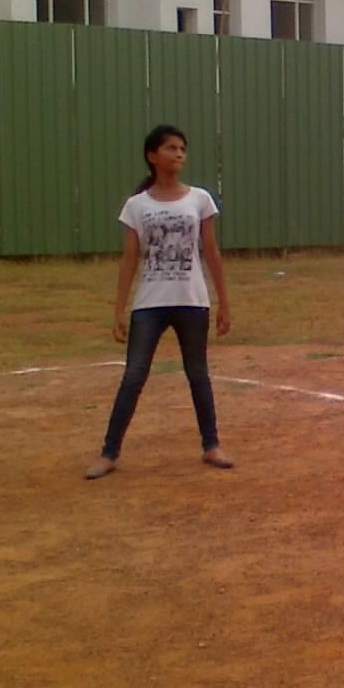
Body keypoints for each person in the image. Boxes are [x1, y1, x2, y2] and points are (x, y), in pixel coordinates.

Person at [85, 125, 233, 479]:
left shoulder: (200, 199)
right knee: (134, 375)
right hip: (149, 304)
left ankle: (211, 446)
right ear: (152, 156)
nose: (179, 154)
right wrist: (119, 310)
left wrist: (224, 302)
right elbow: (129, 259)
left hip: (192, 301)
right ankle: (109, 453)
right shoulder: (137, 205)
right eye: (171, 148)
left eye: (182, 148)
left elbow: (211, 252)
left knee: (198, 374)